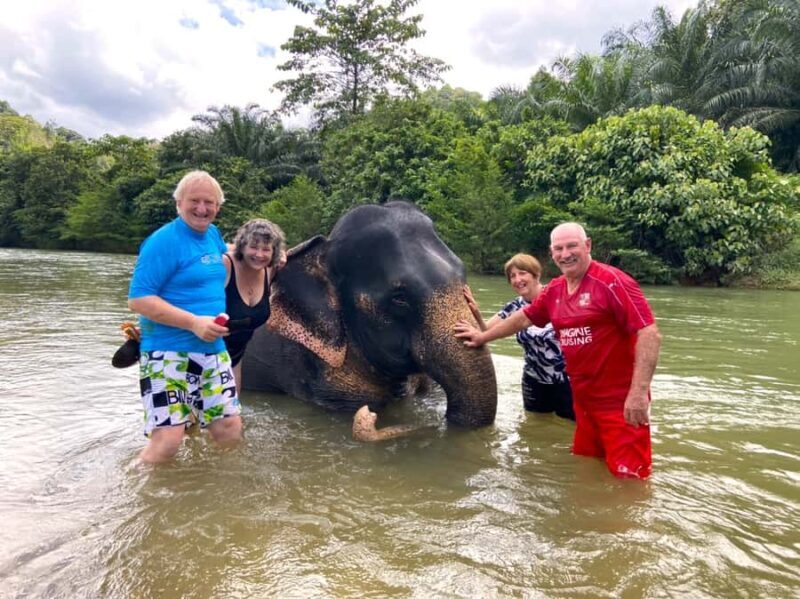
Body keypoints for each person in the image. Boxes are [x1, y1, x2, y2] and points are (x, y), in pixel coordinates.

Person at [455, 223, 661, 480]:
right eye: (558, 248)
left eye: (572, 246)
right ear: (551, 253)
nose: (565, 254)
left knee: (631, 481)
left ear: (588, 246)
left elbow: (649, 333)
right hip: (583, 401)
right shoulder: (556, 290)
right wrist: (482, 336)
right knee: (587, 471)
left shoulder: (612, 282)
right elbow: (523, 318)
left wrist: (639, 393)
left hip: (619, 403)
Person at [127, 170, 241, 464]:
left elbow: (223, 252)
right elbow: (138, 299)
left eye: (209, 202)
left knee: (229, 428)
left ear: (218, 207)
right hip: (167, 352)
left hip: (213, 352)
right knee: (168, 440)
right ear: (178, 202)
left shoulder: (211, 234)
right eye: (194, 201)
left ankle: (221, 495)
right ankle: (140, 494)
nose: (202, 209)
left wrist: (269, 252)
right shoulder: (162, 241)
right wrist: (193, 322)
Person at [463, 253, 574, 420]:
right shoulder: (515, 305)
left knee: (570, 427)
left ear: (536, 274)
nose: (517, 279)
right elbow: (486, 329)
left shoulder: (558, 297)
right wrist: (476, 312)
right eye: (512, 276)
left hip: (566, 381)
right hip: (533, 378)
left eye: (522, 273)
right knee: (535, 427)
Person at [223, 219, 286, 395]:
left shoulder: (270, 270)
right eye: (253, 247)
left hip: (234, 359)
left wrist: (283, 254)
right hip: (199, 355)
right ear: (241, 246)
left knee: (230, 420)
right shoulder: (225, 265)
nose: (259, 254)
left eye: (266, 249)